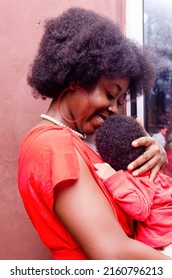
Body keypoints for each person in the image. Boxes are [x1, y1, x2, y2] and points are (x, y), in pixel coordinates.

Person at [18, 7, 169, 260]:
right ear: (77, 77)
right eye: (111, 94)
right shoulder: (53, 146)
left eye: (120, 100)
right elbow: (112, 254)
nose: (114, 108)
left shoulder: (77, 144)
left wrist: (155, 161)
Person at [95, 115, 172, 256]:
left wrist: (114, 179)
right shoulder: (153, 170)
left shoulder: (137, 176)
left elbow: (140, 210)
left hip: (164, 246)